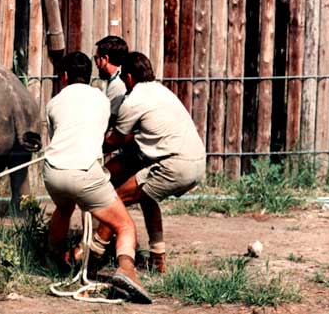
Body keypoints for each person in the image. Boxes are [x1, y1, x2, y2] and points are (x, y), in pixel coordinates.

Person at [43, 52, 151, 304]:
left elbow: (56, 137)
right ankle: (127, 271)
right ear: (89, 75)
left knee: (64, 208)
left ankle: (54, 259)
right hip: (85, 172)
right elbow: (103, 135)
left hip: (53, 171)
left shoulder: (54, 102)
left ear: (65, 76)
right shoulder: (101, 100)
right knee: (124, 226)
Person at [100, 52, 207, 273]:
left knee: (115, 198)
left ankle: (92, 254)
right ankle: (158, 259)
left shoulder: (134, 100)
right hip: (197, 163)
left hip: (176, 165)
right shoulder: (163, 91)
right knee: (147, 196)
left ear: (129, 77)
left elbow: (115, 141)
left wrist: (89, 142)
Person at [94, 36, 129, 126]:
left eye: (96, 58)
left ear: (105, 59)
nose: (96, 64)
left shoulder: (118, 84)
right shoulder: (114, 79)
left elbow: (109, 119)